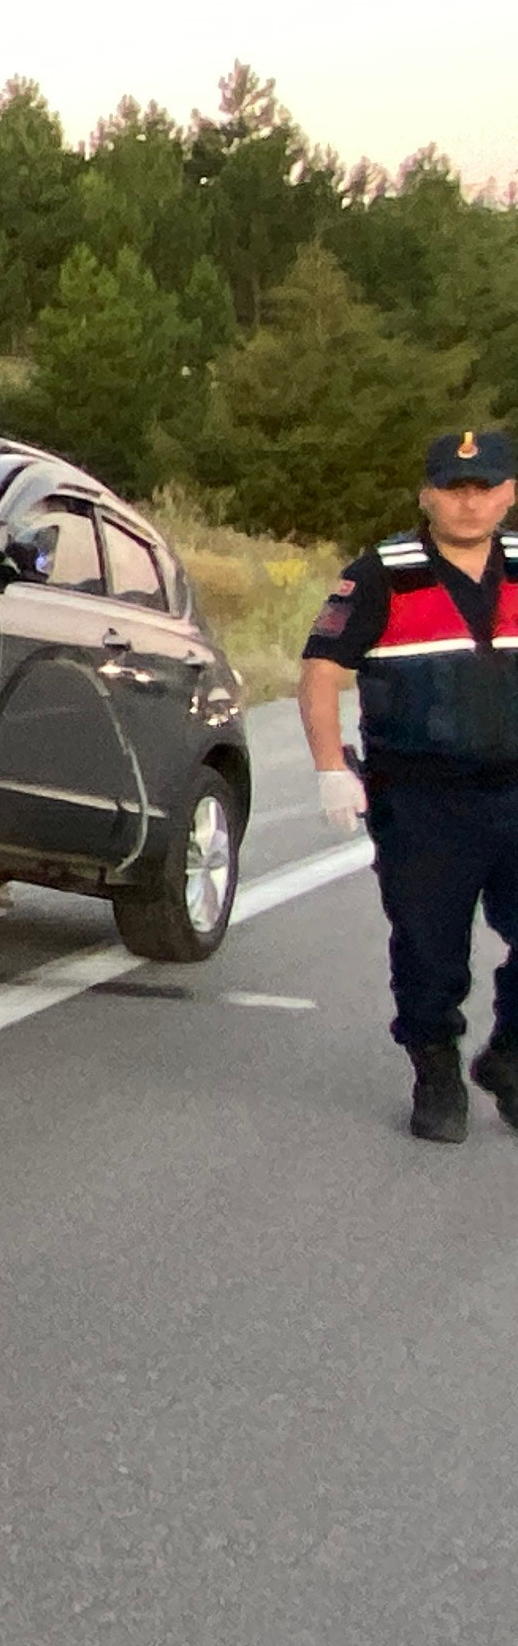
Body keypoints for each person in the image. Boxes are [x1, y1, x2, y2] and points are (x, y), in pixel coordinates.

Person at [298, 427, 518, 1140]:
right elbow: (321, 676)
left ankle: (510, 1057)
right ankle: (436, 1071)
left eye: (484, 488)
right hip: (424, 798)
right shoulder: (379, 575)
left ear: (509, 494)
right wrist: (333, 769)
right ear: (426, 496)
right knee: (430, 948)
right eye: (454, 490)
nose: (469, 503)